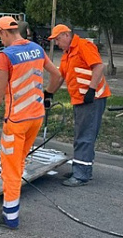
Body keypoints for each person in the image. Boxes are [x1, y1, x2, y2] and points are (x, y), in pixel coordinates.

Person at [0, 16, 62, 229]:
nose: (0, 40)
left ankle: (11, 216)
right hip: (36, 117)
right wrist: (49, 94)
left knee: (11, 168)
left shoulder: (6, 56)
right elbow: (57, 74)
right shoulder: (35, 49)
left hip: (16, 120)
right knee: (20, 161)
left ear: (5, 32)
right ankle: (9, 204)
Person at [45, 24, 111, 187]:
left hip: (92, 99)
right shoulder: (68, 54)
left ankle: (81, 174)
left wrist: (91, 90)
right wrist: (49, 93)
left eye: (58, 39)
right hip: (81, 99)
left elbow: (98, 66)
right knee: (82, 134)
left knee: (85, 136)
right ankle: (81, 168)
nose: (57, 44)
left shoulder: (83, 46)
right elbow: (61, 76)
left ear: (66, 35)